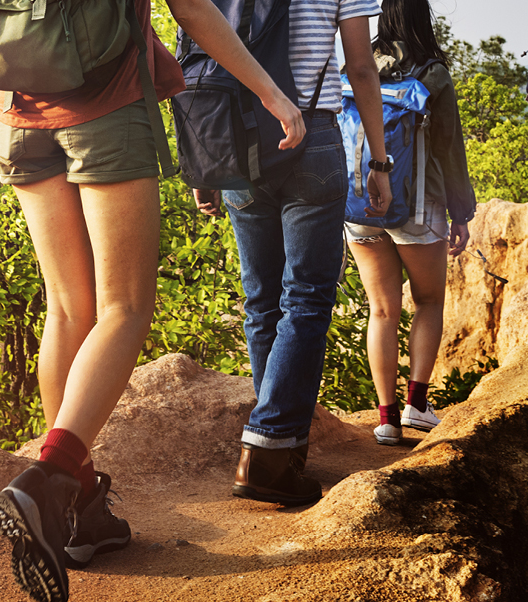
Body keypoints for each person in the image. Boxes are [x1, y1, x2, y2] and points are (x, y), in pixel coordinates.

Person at [0, 1, 305, 600]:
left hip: (12, 119)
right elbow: (193, 9)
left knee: (65, 308)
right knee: (124, 307)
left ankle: (82, 512)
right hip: (106, 116)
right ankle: (49, 480)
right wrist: (272, 93)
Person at [192, 0, 390, 507]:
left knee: (261, 301)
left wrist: (205, 164)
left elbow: (202, 44)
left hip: (237, 135)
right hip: (312, 135)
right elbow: (362, 67)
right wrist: (379, 159)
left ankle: (280, 443)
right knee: (305, 298)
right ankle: (269, 447)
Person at [346, 0, 476, 446]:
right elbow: (449, 149)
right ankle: (417, 405)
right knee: (428, 301)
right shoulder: (433, 72)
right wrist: (462, 211)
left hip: (360, 204)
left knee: (380, 309)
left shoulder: (357, 63)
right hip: (418, 207)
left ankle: (385, 419)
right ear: (424, 18)